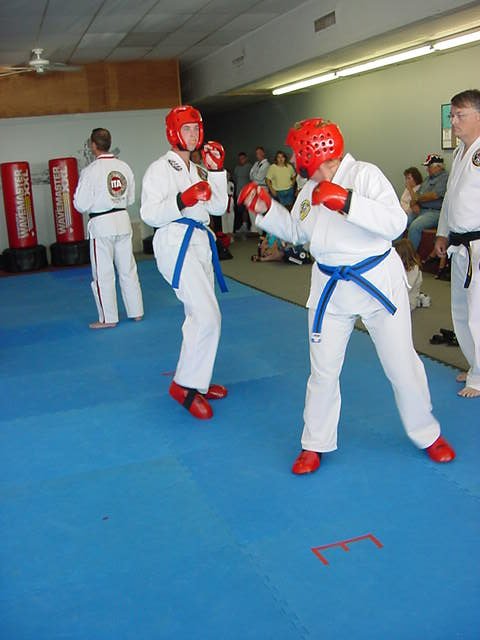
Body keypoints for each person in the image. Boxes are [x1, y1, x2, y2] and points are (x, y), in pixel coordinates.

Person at [239, 118, 455, 474]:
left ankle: (427, 433)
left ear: (312, 151)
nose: (292, 158)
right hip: (331, 288)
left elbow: (395, 224)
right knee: (322, 370)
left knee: (401, 364)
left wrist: (346, 201)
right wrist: (266, 210)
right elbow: (296, 230)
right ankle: (315, 442)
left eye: (296, 151)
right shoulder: (308, 190)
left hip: (376, 282)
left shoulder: (365, 175)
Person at [140, 105, 229, 419]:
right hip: (176, 243)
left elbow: (218, 208)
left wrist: (217, 172)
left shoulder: (198, 169)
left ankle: (197, 382)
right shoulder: (159, 169)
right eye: (186, 129)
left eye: (196, 128)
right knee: (207, 315)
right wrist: (183, 199)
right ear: (173, 133)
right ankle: (183, 386)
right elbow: (149, 214)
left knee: (198, 316)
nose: (192, 134)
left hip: (200, 242)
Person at [73, 127, 144, 329]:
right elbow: (130, 198)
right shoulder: (124, 167)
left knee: (103, 273)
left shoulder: (90, 171)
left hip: (102, 224)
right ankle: (136, 312)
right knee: (128, 269)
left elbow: (80, 204)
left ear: (93, 145)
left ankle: (108, 318)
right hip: (122, 220)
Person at [435, 89, 480, 399]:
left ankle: (479, 376)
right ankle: (475, 363)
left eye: (459, 115)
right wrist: (442, 233)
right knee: (461, 309)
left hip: (478, 244)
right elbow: (450, 199)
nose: (453, 121)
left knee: (478, 312)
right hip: (459, 244)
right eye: (452, 115)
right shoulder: (459, 152)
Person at [407, 154, 448, 250]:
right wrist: (414, 204)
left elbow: (434, 195)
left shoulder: (445, 178)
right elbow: (415, 196)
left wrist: (417, 199)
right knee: (402, 221)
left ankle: (409, 256)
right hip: (420, 210)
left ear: (438, 167)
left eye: (429, 167)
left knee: (415, 226)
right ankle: (396, 252)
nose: (427, 169)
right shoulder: (427, 179)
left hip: (434, 212)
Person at [394, 238, 423, 311]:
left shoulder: (414, 269)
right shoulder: (399, 265)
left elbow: (407, 288)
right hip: (398, 296)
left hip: (408, 301)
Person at [248, 147, 270, 233]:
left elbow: (259, 177)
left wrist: (254, 174)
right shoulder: (256, 163)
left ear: (263, 153)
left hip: (262, 188)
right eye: (257, 153)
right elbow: (250, 176)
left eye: (260, 152)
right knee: (251, 208)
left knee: (260, 209)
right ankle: (255, 229)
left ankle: (261, 231)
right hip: (254, 188)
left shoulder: (266, 164)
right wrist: (254, 174)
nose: (258, 154)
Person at [233, 152, 252, 233]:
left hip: (247, 193)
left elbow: (252, 179)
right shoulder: (237, 168)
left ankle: (248, 226)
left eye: (243, 158)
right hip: (239, 193)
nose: (241, 160)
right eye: (240, 159)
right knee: (241, 210)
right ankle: (243, 226)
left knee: (247, 210)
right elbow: (235, 179)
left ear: (246, 158)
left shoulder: (250, 167)